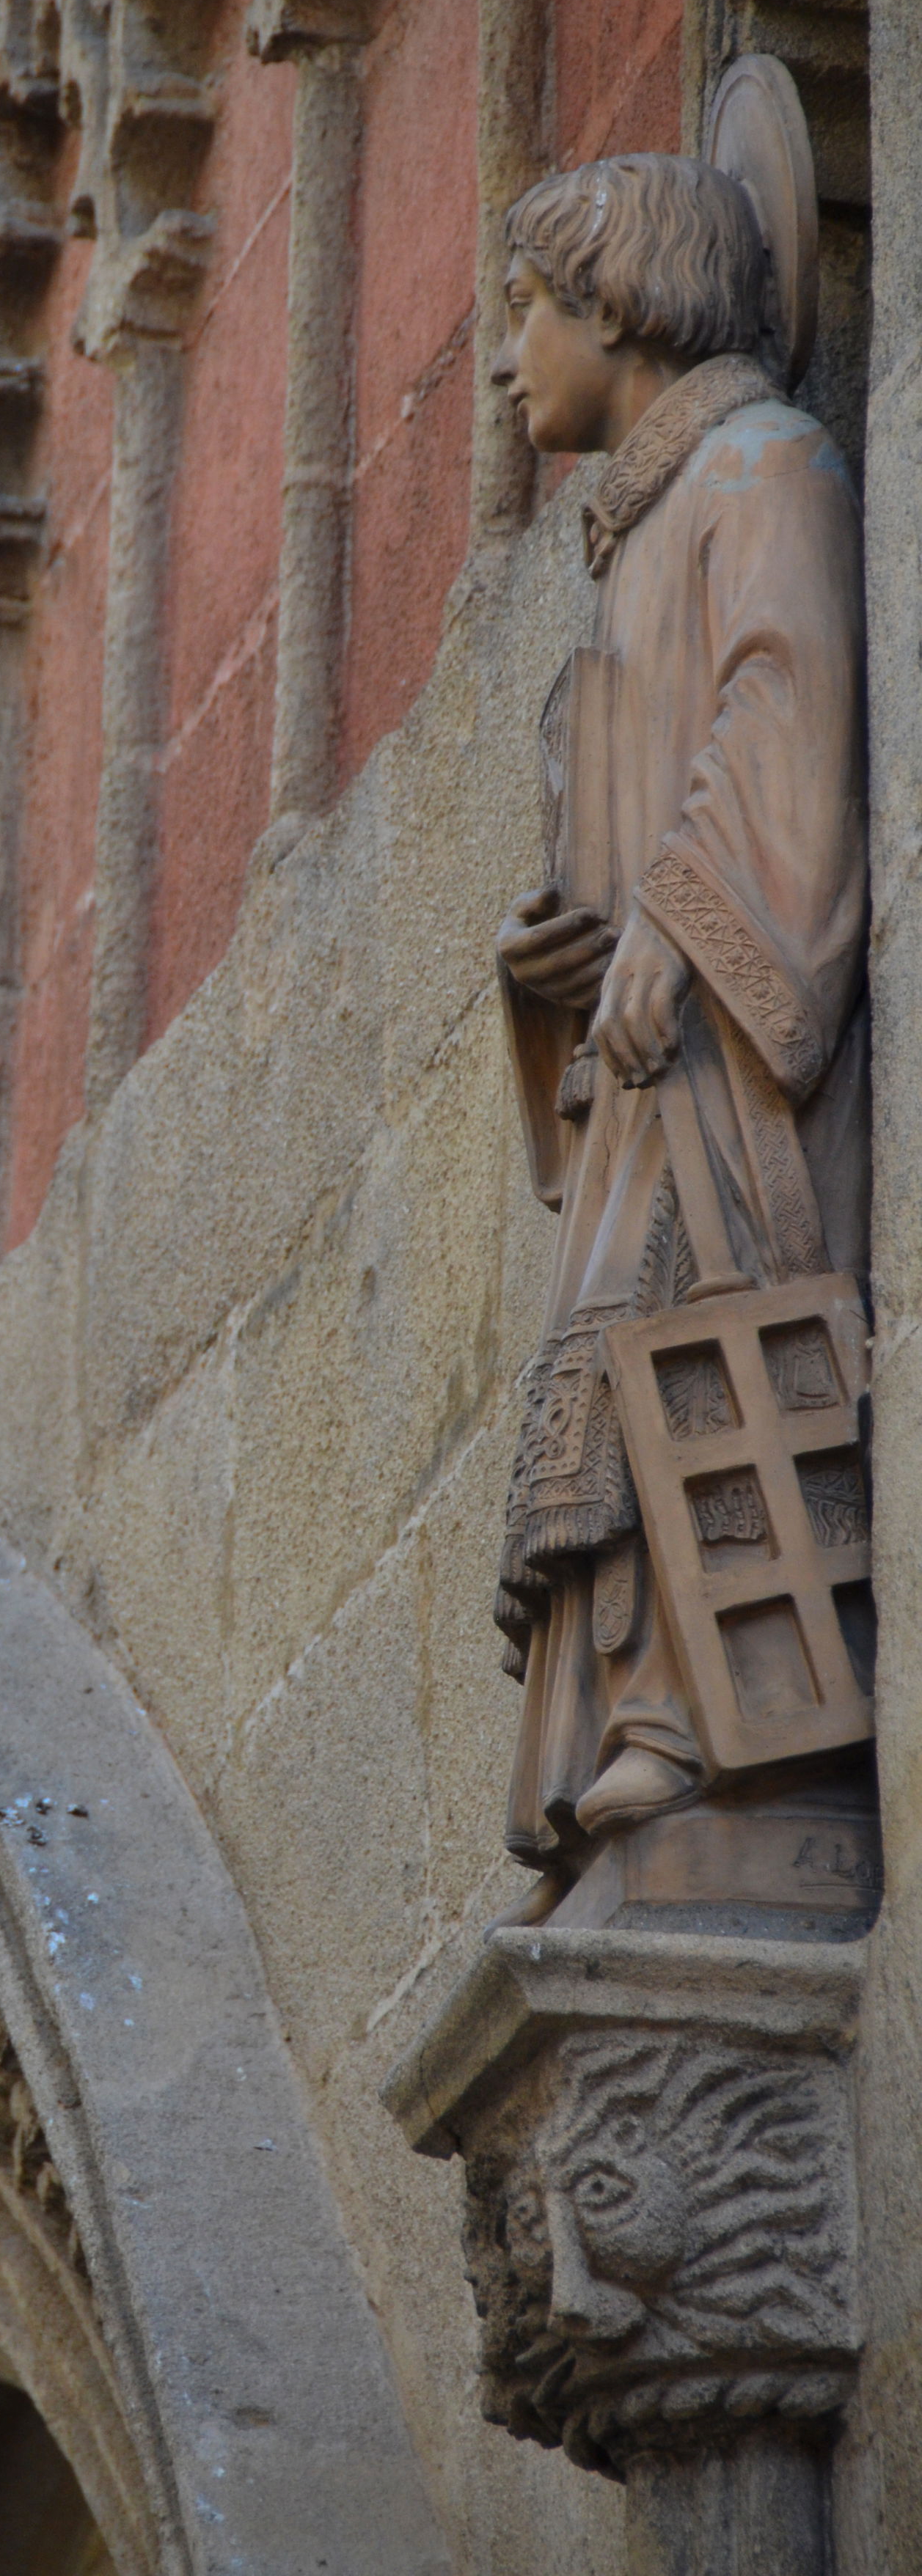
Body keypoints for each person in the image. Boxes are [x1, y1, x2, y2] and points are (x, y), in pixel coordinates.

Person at [489, 151, 866, 1912]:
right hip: (641, 1050)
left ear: (622, 305)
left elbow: (781, 701)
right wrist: (552, 967)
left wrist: (684, 912)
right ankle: (623, 1724)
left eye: (527, 309)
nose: (506, 355)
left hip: (717, 1031)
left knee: (696, 1328)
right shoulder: (629, 537)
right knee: (615, 1350)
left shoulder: (761, 465)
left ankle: (711, 1732)